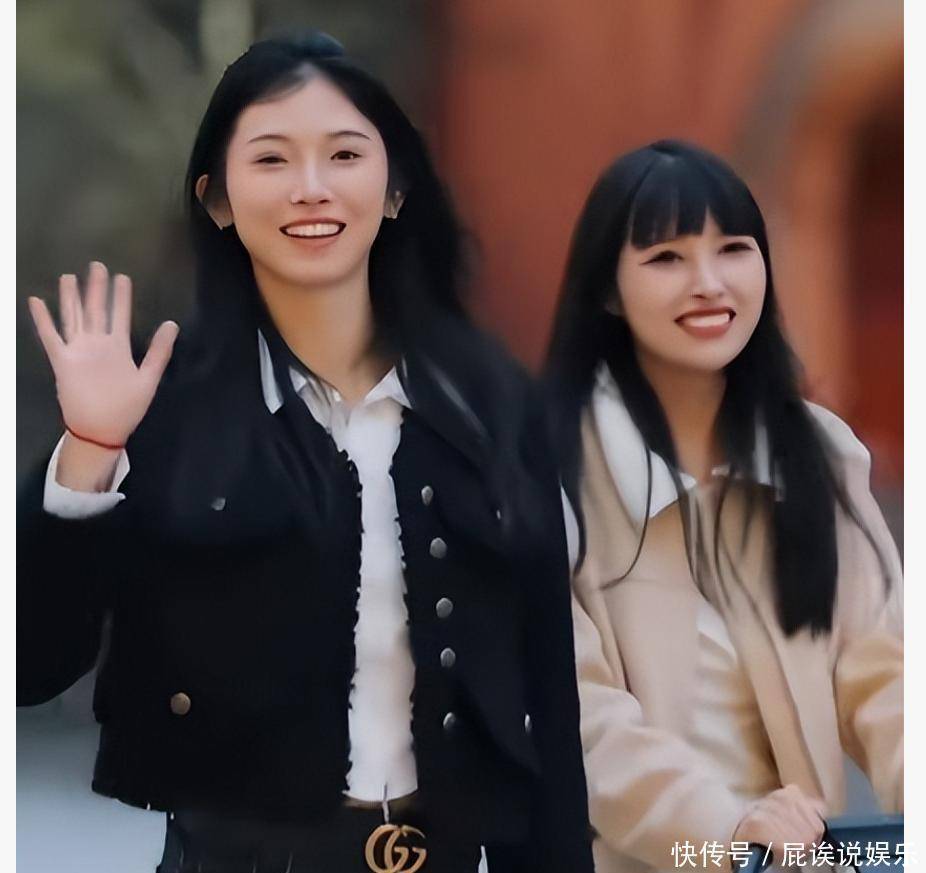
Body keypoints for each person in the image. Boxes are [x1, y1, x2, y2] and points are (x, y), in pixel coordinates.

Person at [19, 32, 593, 873]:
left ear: (395, 188)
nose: (311, 187)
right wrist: (92, 448)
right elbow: (31, 664)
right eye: (271, 158)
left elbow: (547, 695)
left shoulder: (490, 405)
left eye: (345, 154)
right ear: (217, 200)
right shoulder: (160, 405)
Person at [545, 140, 902, 873]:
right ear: (607, 289)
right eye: (666, 258)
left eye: (733, 249)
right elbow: (580, 717)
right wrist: (728, 828)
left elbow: (885, 670)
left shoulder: (818, 454)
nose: (708, 284)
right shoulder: (548, 471)